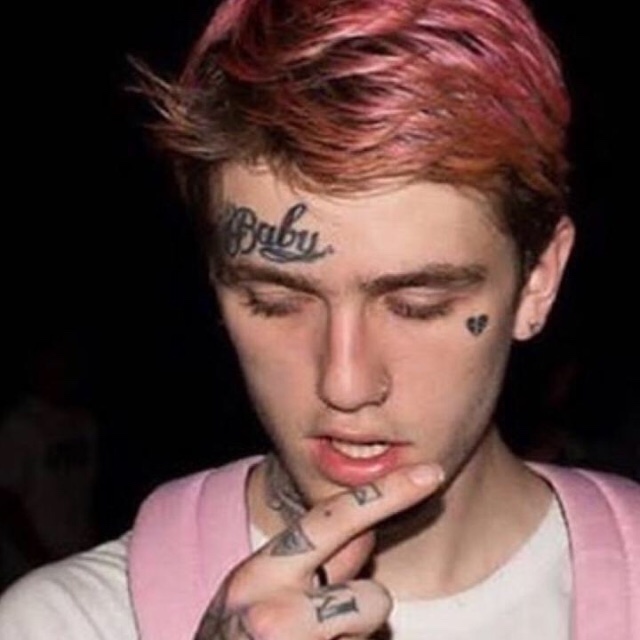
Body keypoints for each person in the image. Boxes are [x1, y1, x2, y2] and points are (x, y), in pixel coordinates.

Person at [1, 0, 638, 638]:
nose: (345, 383)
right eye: (275, 300)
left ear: (538, 280)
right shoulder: (66, 622)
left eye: (418, 306)